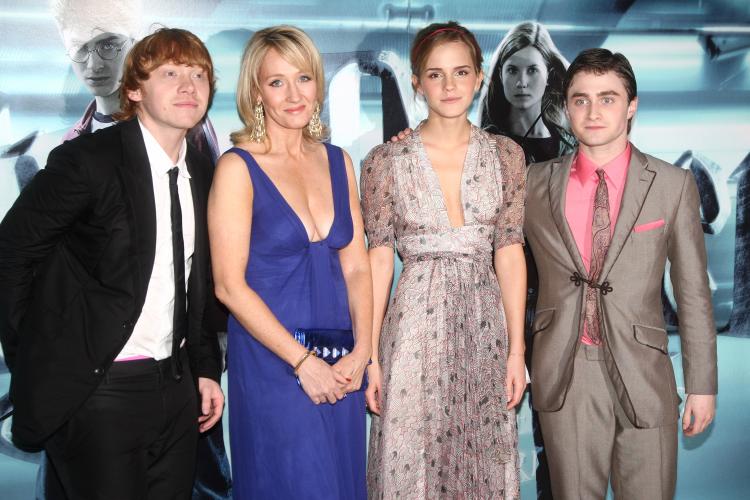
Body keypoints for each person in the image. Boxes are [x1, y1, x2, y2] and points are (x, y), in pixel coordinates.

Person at [0, 28, 225, 499]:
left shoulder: (205, 172)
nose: (189, 86)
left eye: (198, 74)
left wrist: (205, 369)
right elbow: (12, 254)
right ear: (133, 91)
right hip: (98, 392)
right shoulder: (89, 160)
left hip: (176, 390)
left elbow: (195, 284)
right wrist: (40, 360)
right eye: (170, 73)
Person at [524, 48, 717, 499]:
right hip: (565, 371)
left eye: (608, 98)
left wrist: (703, 385)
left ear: (632, 106)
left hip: (644, 371)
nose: (593, 111)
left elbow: (692, 294)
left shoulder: (672, 184)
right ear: (565, 106)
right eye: (580, 99)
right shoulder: (531, 183)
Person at [363, 21, 527, 499]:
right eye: (435, 75)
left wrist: (517, 351)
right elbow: (377, 262)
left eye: (460, 72)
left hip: (485, 330)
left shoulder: (507, 155)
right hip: (412, 329)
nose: (449, 86)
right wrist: (371, 356)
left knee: (482, 463)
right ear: (416, 82)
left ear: (479, 77)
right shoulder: (383, 162)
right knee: (408, 462)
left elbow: (510, 251)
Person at [208, 26, 372, 500]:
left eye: (303, 78)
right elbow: (228, 286)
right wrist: (302, 362)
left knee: (340, 485)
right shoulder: (237, 167)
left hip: (342, 363)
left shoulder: (339, 161)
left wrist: (364, 350)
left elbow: (357, 267)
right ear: (256, 92)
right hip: (275, 365)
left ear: (318, 84)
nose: (294, 94)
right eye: (276, 82)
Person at [478, 21, 575, 165]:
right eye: (512, 70)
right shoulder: (484, 147)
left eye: (532, 70)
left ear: (549, 74)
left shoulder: (571, 149)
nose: (521, 82)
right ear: (500, 75)